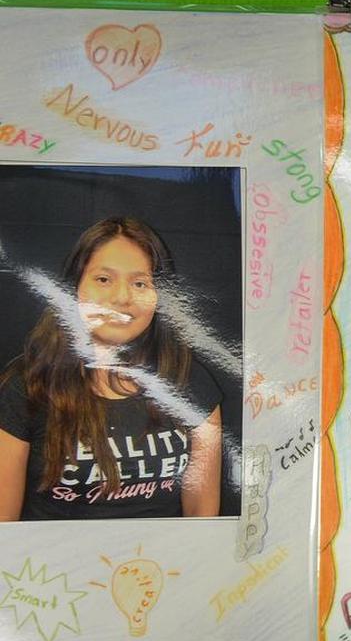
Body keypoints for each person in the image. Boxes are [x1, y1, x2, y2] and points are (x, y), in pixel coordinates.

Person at [0, 218, 223, 520]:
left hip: (161, 567)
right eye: (103, 279)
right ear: (73, 287)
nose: (121, 298)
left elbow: (202, 519)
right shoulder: (27, 386)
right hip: (54, 568)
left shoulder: (190, 382)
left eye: (140, 283)